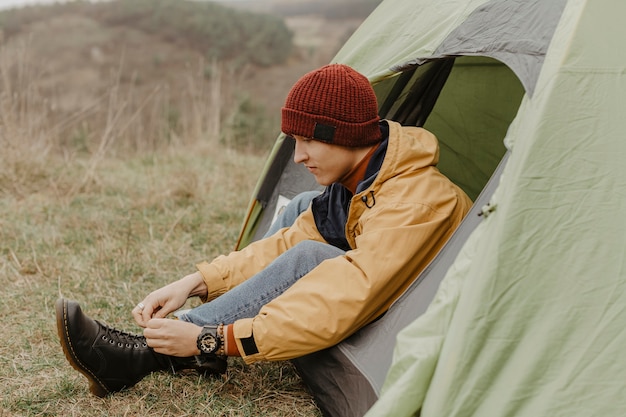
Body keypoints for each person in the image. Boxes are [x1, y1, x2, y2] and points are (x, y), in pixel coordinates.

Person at [55, 64, 473, 397]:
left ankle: (147, 357)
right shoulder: (362, 182)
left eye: (307, 141)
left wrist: (211, 340)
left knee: (313, 257)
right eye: (293, 141)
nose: (297, 157)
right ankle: (188, 337)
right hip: (377, 290)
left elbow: (346, 297)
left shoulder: (414, 202)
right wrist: (197, 281)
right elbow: (285, 243)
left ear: (343, 135)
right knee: (304, 213)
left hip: (428, 320)